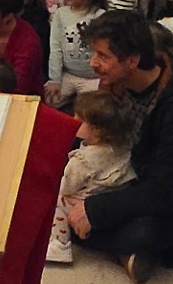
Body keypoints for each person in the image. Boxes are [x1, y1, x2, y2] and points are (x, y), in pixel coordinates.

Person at [64, 10, 173, 283]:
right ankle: (122, 252)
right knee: (56, 195)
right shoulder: (116, 82)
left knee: (144, 233)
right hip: (122, 175)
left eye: (103, 56)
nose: (93, 63)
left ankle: (119, 247)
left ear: (133, 61)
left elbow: (165, 190)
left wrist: (95, 208)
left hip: (168, 194)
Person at [46, 89, 137, 264]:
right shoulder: (121, 148)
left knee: (54, 201)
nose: (73, 120)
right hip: (110, 199)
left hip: (85, 202)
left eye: (80, 119)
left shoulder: (82, 160)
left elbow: (66, 187)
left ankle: (60, 245)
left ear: (98, 131)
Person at [46, 0, 106, 108]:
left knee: (91, 109)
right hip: (68, 74)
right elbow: (56, 48)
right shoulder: (60, 14)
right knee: (48, 100)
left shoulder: (100, 16)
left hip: (93, 77)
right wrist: (54, 79)